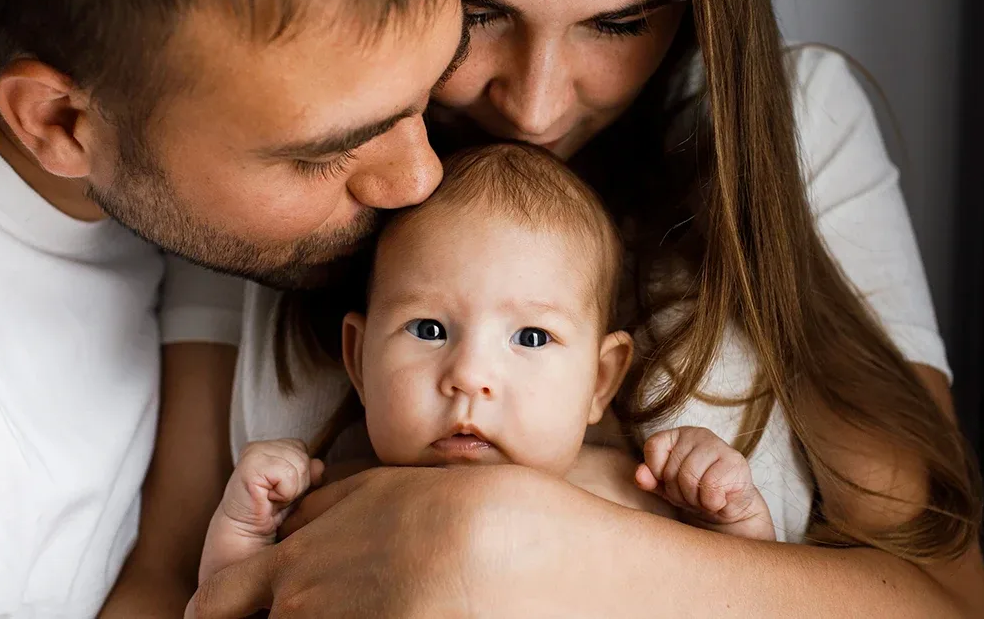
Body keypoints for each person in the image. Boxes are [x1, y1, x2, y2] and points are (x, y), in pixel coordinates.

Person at [173, 0, 984, 616]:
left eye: (619, 23)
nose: (535, 109)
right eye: (479, 12)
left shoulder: (798, 129)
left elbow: (951, 604)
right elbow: (169, 582)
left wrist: (492, 541)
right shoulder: (273, 137)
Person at [0, 0, 467, 615]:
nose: (420, 179)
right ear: (63, 123)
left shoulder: (154, 101)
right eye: (327, 152)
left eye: (434, 84)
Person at [199, 144, 776, 582]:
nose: (470, 376)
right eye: (428, 329)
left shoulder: (637, 493)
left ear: (600, 379)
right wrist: (245, 529)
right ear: (359, 359)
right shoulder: (332, 503)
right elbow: (231, 601)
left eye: (530, 336)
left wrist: (727, 514)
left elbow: (749, 592)